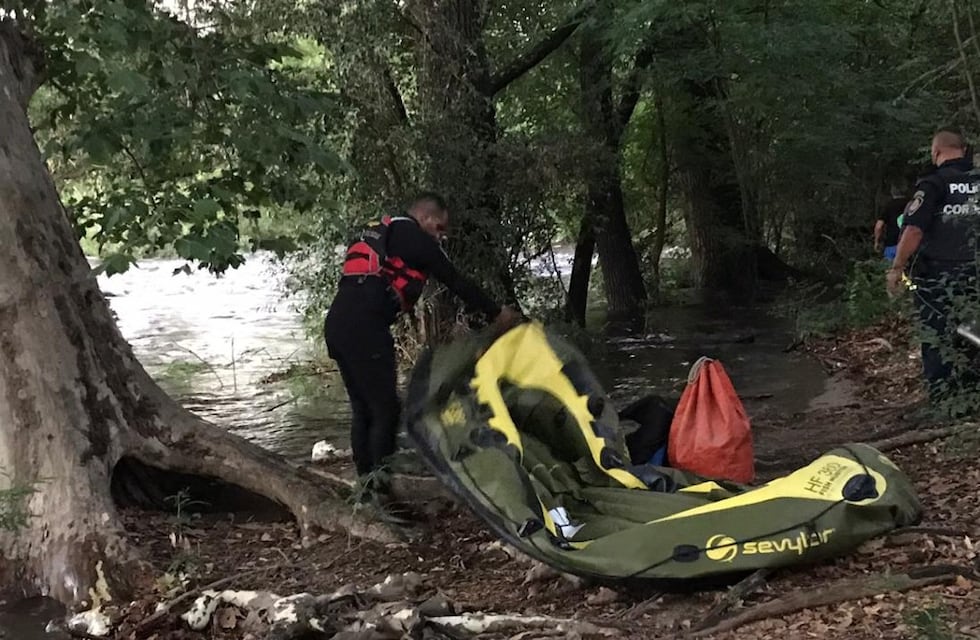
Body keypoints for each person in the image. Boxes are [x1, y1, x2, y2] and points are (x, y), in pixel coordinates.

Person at [324, 191, 522, 512]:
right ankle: (380, 497)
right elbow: (455, 280)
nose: (441, 235)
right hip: (364, 328)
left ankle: (368, 490)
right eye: (440, 227)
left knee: (365, 410)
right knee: (385, 410)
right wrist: (497, 313)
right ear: (426, 218)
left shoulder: (385, 232)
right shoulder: (411, 236)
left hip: (339, 325)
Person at [886, 129, 980, 415]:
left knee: (937, 336)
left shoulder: (933, 185)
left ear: (936, 152)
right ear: (963, 150)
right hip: (976, 275)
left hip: (939, 277)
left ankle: (943, 405)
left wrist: (897, 268)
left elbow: (913, 228)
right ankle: (972, 396)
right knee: (973, 333)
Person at [874, 190, 908, 261]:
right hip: (909, 243)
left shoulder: (888, 206)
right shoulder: (911, 204)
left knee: (889, 268)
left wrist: (877, 241)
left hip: (891, 243)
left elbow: (878, 226)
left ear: (892, 193)